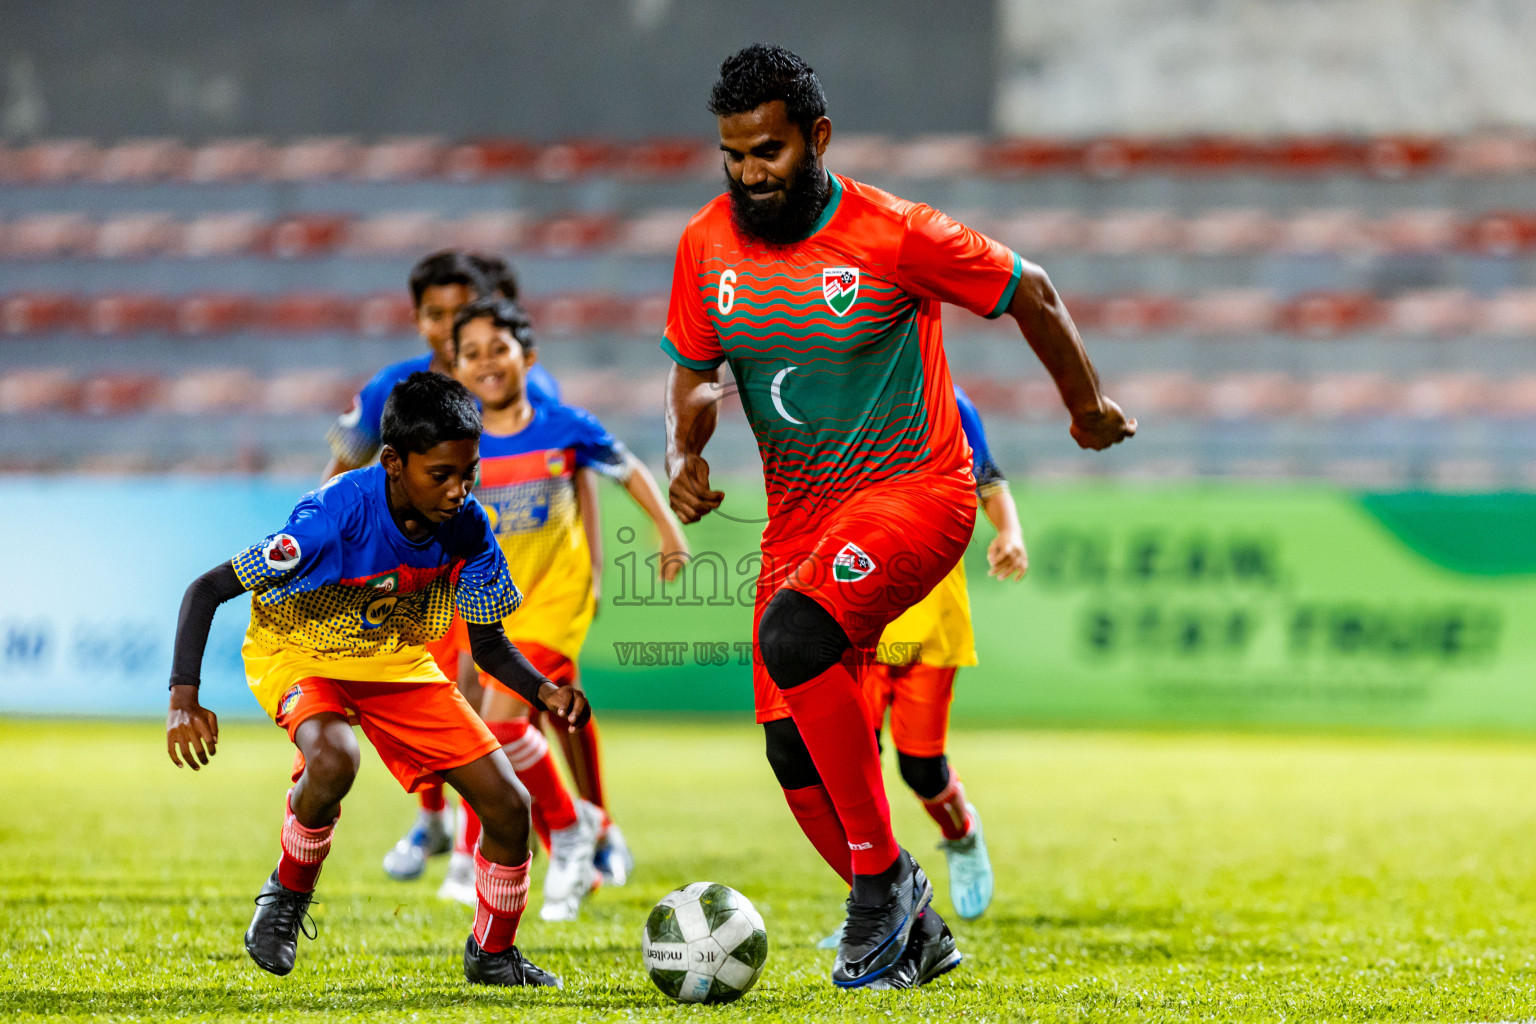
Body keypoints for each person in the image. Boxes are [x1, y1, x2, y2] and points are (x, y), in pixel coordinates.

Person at [661, 44, 1135, 991]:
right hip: (796, 522)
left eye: (770, 151)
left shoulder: (894, 233)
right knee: (790, 748)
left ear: (818, 137)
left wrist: (1084, 407)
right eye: (735, 155)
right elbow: (691, 373)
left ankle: (878, 893)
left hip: (917, 494)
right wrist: (685, 457)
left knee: (798, 639)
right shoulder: (704, 244)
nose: (751, 174)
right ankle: (907, 918)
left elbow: (1030, 289)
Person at [164, 371, 589, 988]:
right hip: (300, 650)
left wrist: (543, 692)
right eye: (439, 475)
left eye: (468, 472)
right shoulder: (330, 517)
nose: (458, 490)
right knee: (334, 761)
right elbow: (205, 589)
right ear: (392, 462)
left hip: (393, 657)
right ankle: (284, 897)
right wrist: (184, 699)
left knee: (509, 806)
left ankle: (492, 954)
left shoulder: (468, 527)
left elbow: (490, 644)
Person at [447, 296, 688, 917]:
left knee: (499, 728)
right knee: (558, 710)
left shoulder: (566, 426)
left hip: (556, 600)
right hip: (488, 607)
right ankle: (599, 830)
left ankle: (563, 834)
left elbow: (628, 470)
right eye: (470, 354)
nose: (486, 363)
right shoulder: (457, 444)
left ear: (526, 355)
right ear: (456, 369)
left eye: (497, 349)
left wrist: (667, 530)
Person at [861, 385, 1025, 923]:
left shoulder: (949, 403)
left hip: (929, 618)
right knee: (850, 764)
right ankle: (875, 903)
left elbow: (988, 478)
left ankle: (961, 833)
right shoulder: (842, 390)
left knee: (921, 769)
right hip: (855, 613)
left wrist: (1010, 531)